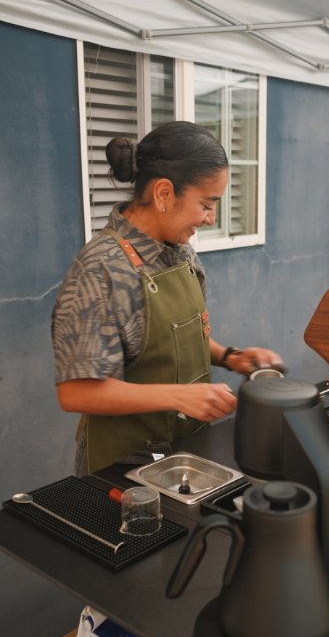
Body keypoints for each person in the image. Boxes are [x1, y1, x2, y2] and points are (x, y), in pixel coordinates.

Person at [51, 121, 284, 478]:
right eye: (206, 204)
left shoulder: (181, 252)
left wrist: (230, 357)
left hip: (186, 451)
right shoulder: (100, 270)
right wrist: (178, 396)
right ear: (163, 194)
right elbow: (76, 392)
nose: (211, 219)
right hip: (121, 466)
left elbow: (176, 339)